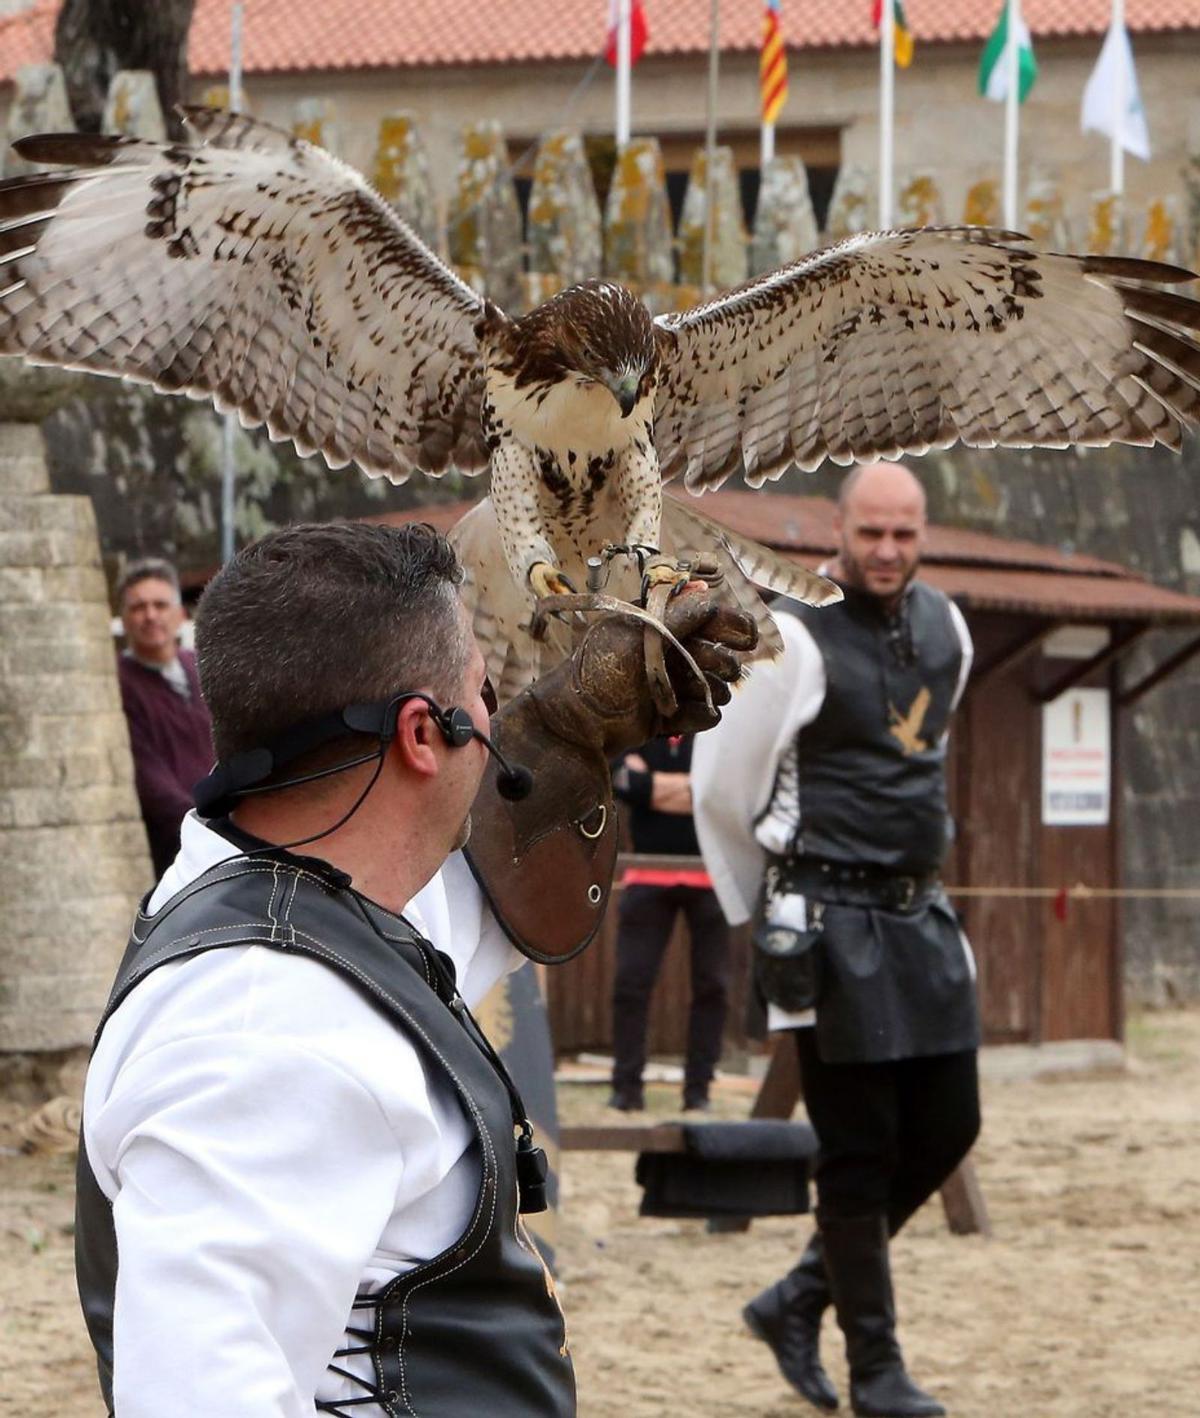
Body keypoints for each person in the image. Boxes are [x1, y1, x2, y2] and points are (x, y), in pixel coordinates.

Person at [75, 520, 755, 1417]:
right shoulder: (263, 1034)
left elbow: (460, 919)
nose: (500, 732)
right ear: (421, 734)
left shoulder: (291, 892)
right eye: (485, 695)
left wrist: (571, 726)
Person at [693, 463, 979, 1418]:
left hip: (918, 910)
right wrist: (764, 914)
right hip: (824, 920)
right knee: (857, 1152)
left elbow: (927, 757)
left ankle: (798, 1296)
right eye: (872, 534)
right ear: (840, 530)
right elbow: (722, 788)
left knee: (949, 1126)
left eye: (904, 534)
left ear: (922, 531)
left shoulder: (952, 628)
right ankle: (877, 1372)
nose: (888, 552)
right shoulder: (794, 636)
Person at [609, 735, 730, 1112]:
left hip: (712, 877)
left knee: (713, 987)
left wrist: (654, 785)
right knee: (631, 984)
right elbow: (620, 779)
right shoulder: (641, 728)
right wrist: (694, 788)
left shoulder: (715, 732)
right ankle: (626, 1090)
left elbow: (723, 789)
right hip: (647, 875)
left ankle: (699, 1092)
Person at [115, 558, 214, 876]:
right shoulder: (118, 682)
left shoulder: (203, 668)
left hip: (227, 833)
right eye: (138, 607)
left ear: (180, 614)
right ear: (124, 619)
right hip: (175, 851)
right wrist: (205, 828)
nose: (150, 615)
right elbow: (149, 780)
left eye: (160, 604)